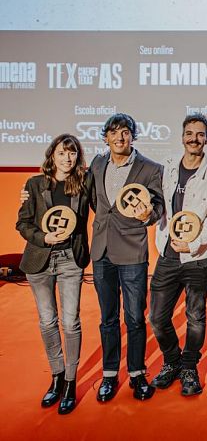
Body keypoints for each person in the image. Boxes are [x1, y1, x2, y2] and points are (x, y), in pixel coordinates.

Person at [148, 114, 207, 397]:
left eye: (201, 134)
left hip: (198, 257)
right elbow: (157, 203)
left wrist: (195, 244)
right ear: (182, 136)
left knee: (195, 316)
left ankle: (189, 367)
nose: (195, 139)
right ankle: (172, 362)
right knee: (157, 317)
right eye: (190, 133)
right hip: (168, 254)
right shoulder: (167, 167)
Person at [88, 113, 164, 403]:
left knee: (134, 318)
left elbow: (156, 206)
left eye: (126, 132)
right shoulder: (96, 164)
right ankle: (109, 374)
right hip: (102, 251)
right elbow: (95, 203)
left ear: (134, 136)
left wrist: (148, 215)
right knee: (108, 318)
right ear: (105, 136)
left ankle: (136, 373)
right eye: (114, 132)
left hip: (132, 251)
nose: (120, 138)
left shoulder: (150, 168)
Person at [16, 134, 90, 414]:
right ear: (52, 155)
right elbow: (21, 223)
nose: (67, 158)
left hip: (71, 259)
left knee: (71, 323)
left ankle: (71, 381)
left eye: (72, 153)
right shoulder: (34, 185)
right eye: (62, 153)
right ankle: (56, 376)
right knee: (48, 321)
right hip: (40, 259)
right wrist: (42, 237)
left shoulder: (83, 184)